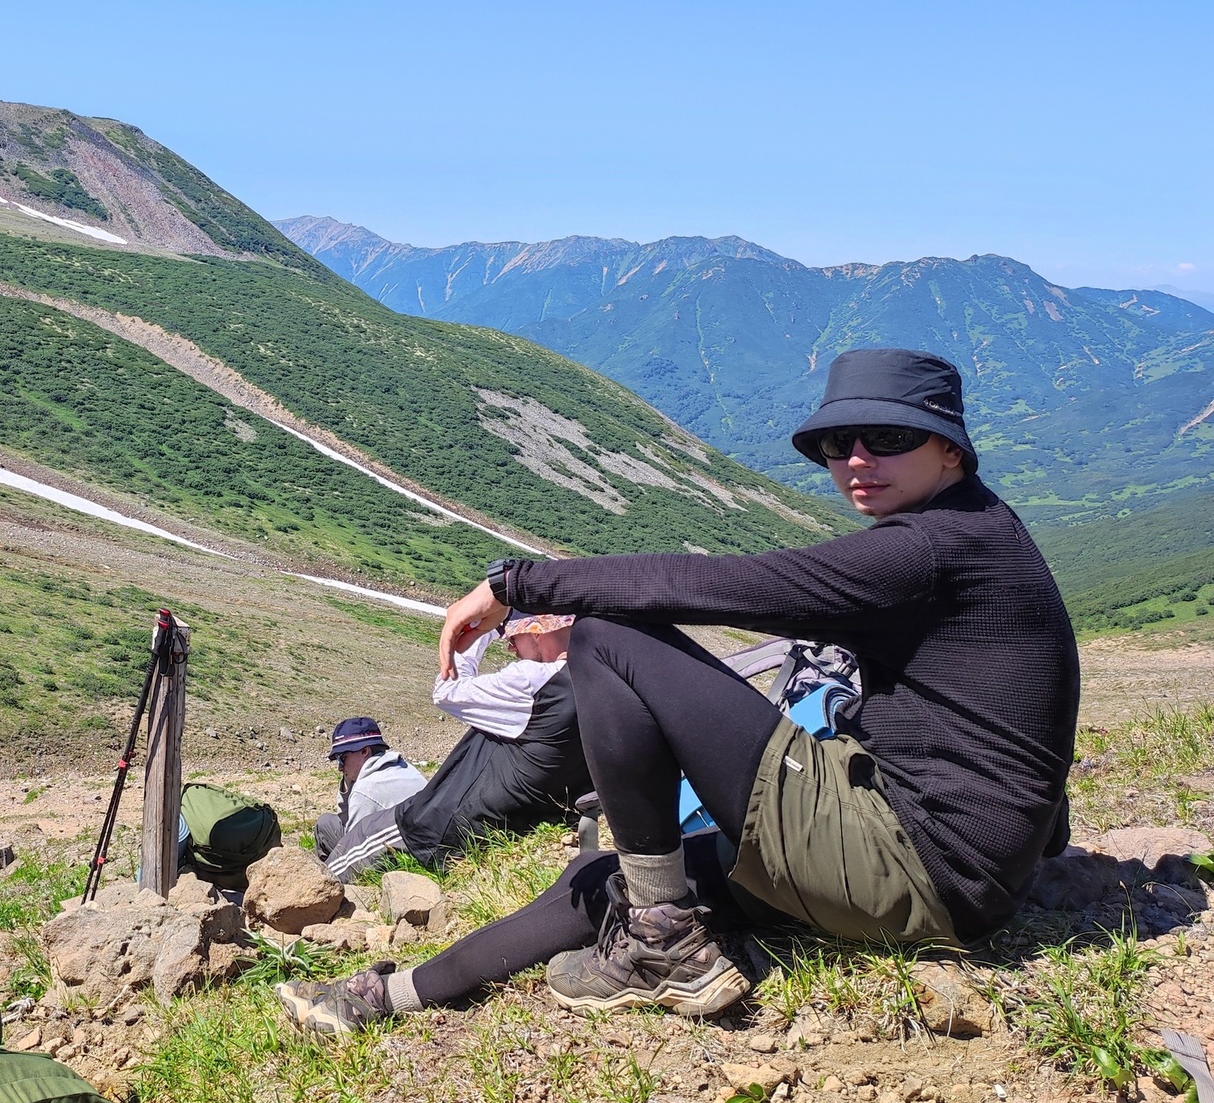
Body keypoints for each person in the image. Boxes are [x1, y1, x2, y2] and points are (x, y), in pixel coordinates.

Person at [279, 348, 1078, 1033]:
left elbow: (727, 584)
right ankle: (390, 994)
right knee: (598, 884)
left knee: (608, 638)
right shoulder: (984, 532)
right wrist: (1022, 841)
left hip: (914, 861)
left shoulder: (934, 549)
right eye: (838, 441)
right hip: (947, 867)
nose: (857, 460)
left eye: (890, 437)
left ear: (950, 448)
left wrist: (515, 585)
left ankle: (665, 945)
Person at [323, 611, 588, 881]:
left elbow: (447, 690)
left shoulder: (535, 681)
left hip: (439, 827)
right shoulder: (596, 681)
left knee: (348, 852)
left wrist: (483, 631)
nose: (510, 648)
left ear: (536, 632)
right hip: (519, 820)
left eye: (513, 637)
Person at [313, 717, 426, 866]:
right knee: (328, 822)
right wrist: (348, 785)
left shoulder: (365, 790)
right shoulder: (406, 768)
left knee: (324, 824)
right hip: (420, 848)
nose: (340, 768)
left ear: (364, 751)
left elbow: (353, 850)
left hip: (394, 859)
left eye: (342, 758)